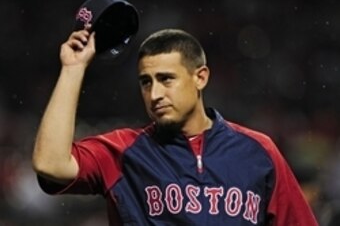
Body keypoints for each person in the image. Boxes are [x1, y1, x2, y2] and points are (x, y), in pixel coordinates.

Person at [32, 28, 318, 225]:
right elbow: (50, 163)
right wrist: (73, 69)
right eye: (146, 82)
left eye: (166, 79)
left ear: (200, 77)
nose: (155, 94)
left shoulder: (258, 151)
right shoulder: (124, 151)